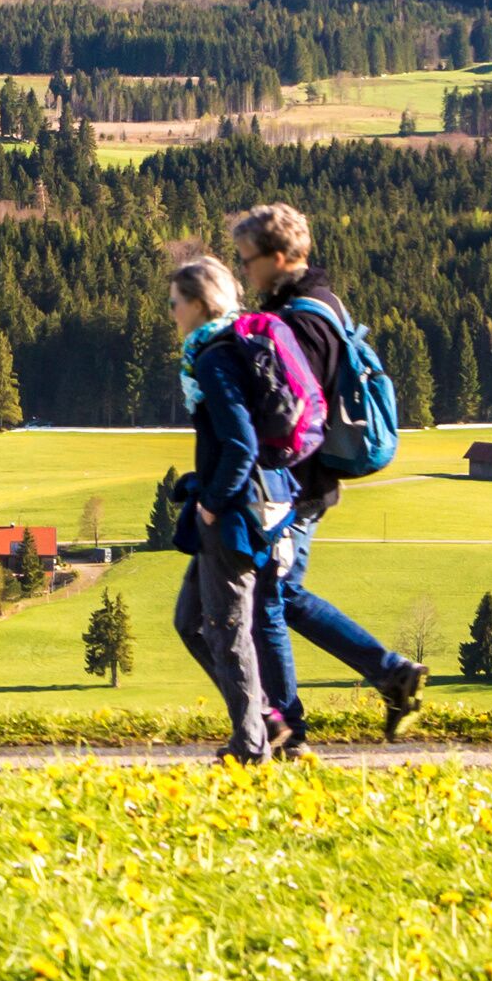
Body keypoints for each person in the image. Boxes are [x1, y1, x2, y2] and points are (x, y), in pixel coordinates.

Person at [230, 202, 429, 744]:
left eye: (247, 259)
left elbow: (296, 412)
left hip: (295, 485)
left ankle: (287, 729)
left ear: (276, 257)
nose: (243, 269)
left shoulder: (301, 319)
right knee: (283, 594)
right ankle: (390, 674)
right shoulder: (325, 303)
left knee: (267, 598)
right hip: (310, 483)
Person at [164, 254, 297, 763]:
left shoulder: (216, 359)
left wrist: (213, 505)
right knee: (191, 621)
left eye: (176, 302)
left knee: (226, 630)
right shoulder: (227, 349)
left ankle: (250, 749)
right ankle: (262, 719)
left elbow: (240, 443)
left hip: (234, 516)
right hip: (242, 507)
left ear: (199, 304)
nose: (172, 312)